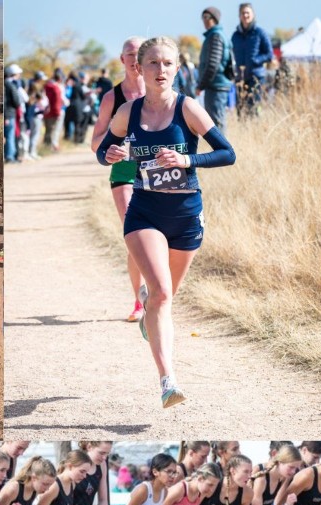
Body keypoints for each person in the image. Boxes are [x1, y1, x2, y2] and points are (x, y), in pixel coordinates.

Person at [96, 36, 236, 408]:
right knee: (158, 293)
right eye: (153, 64)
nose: (161, 70)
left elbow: (227, 154)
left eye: (168, 63)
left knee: (166, 298)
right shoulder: (128, 111)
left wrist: (188, 161)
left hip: (187, 217)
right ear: (140, 69)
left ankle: (149, 318)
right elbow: (103, 151)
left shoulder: (188, 108)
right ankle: (167, 381)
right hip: (144, 213)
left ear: (177, 68)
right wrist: (110, 154)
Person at [91, 37, 147, 324]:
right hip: (124, 172)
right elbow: (96, 141)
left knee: (160, 237)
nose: (135, 59)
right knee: (135, 239)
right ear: (121, 60)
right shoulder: (112, 98)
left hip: (157, 173)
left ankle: (158, 294)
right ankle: (140, 301)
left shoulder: (162, 92)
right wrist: (109, 149)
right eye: (130, 54)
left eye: (140, 54)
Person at [232, 3, 272, 118]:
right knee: (240, 109)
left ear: (253, 15)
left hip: (256, 77)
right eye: (243, 13)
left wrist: (255, 60)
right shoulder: (235, 35)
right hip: (240, 78)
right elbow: (232, 54)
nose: (245, 15)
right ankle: (243, 132)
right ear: (239, 16)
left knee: (253, 107)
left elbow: (269, 54)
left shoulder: (260, 33)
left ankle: (255, 128)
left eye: (247, 12)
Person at [197, 7, 233, 131]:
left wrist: (200, 85)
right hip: (215, 85)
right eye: (203, 17)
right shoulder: (214, 35)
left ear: (215, 19)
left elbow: (213, 64)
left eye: (207, 17)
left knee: (216, 122)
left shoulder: (215, 36)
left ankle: (223, 150)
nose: (204, 20)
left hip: (216, 86)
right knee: (216, 121)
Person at [3, 64, 24, 163]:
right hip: (10, 114)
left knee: (9, 136)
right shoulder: (10, 85)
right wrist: (7, 116)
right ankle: (10, 157)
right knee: (10, 136)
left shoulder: (6, 84)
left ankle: (10, 155)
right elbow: (16, 101)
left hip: (8, 114)